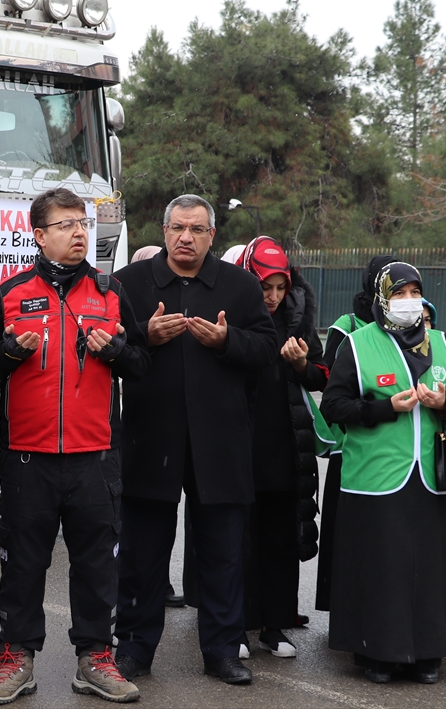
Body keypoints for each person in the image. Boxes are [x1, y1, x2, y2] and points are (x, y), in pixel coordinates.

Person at [0, 188, 148, 705]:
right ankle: (16, 659)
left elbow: (142, 367)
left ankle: (96, 658)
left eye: (84, 223)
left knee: (97, 565)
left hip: (95, 459)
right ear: (39, 234)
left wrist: (117, 350)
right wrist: (8, 352)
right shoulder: (9, 293)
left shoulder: (111, 291)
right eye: (67, 224)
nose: (80, 232)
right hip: (27, 459)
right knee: (23, 564)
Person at [109, 197, 275, 687]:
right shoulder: (129, 284)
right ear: (163, 231)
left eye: (197, 229)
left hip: (219, 442)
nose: (186, 237)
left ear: (212, 235)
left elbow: (266, 350)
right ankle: (135, 648)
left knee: (222, 554)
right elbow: (107, 348)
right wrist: (145, 335)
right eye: (178, 227)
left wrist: (227, 342)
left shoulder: (241, 287)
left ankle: (222, 650)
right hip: (150, 438)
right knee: (142, 554)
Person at [320, 261, 446, 684]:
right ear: (382, 298)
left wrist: (443, 405)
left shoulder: (439, 344)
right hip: (375, 477)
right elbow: (334, 407)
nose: (409, 302)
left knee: (428, 569)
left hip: (430, 477)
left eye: (414, 293)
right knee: (383, 567)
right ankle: (378, 653)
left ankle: (428, 654)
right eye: (400, 293)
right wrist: (386, 408)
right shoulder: (358, 343)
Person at [237, 237, 327, 660]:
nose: (272, 297)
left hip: (286, 448)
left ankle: (276, 626)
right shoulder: (233, 314)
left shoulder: (298, 319)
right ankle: (236, 626)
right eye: (263, 287)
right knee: (238, 543)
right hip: (240, 448)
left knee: (279, 542)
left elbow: (322, 377)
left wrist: (301, 365)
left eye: (279, 287)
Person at [313, 254, 396, 615]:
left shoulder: (415, 324)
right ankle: (341, 604)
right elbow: (331, 382)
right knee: (348, 532)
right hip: (352, 444)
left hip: (399, 447)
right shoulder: (348, 326)